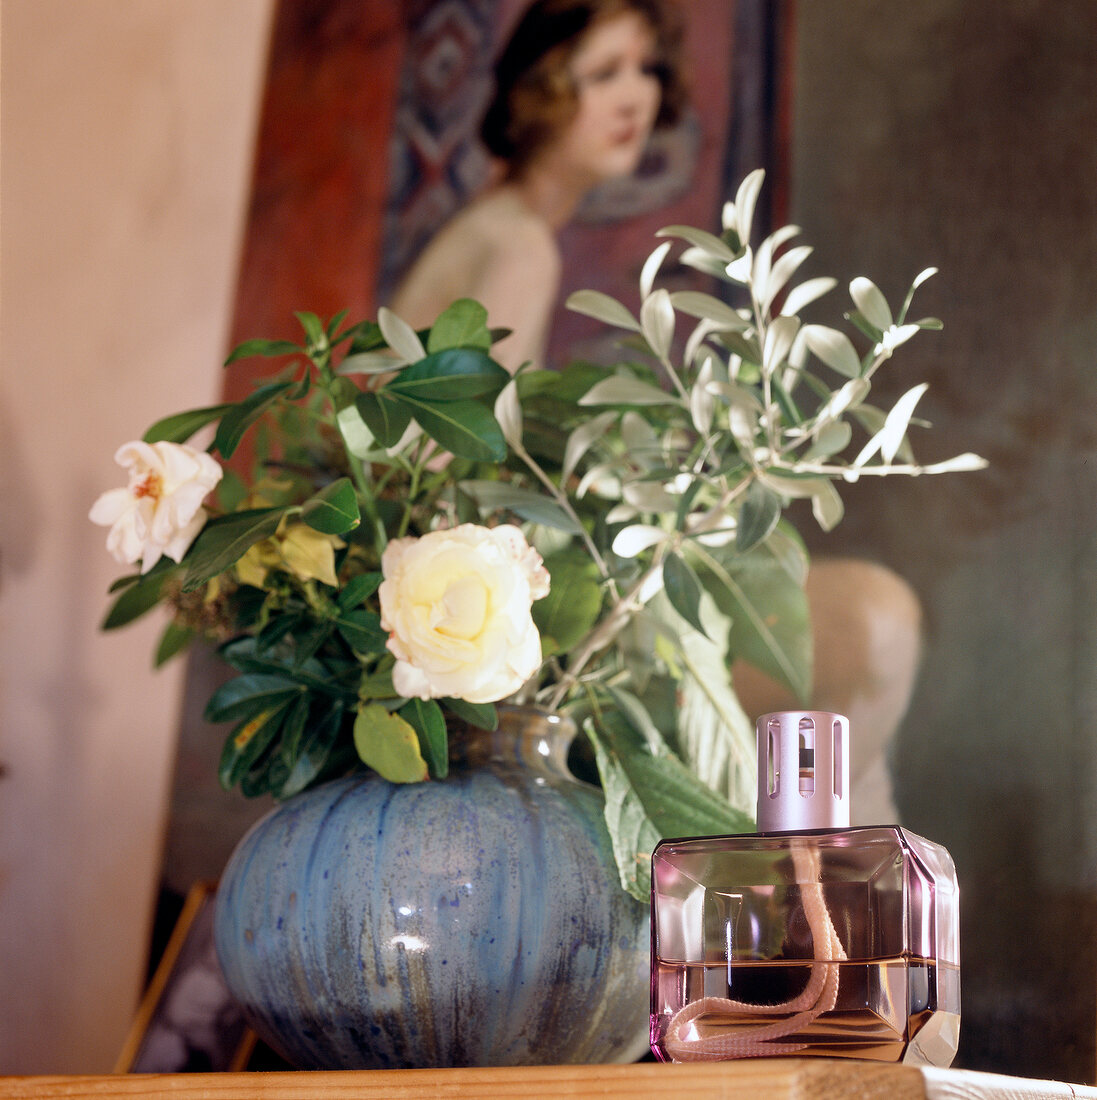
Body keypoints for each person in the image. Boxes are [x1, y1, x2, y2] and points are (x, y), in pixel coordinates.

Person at [388, 0, 686, 373]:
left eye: (648, 69)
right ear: (539, 93)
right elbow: (470, 428)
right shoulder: (522, 246)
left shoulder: (500, 222)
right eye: (605, 73)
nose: (636, 98)